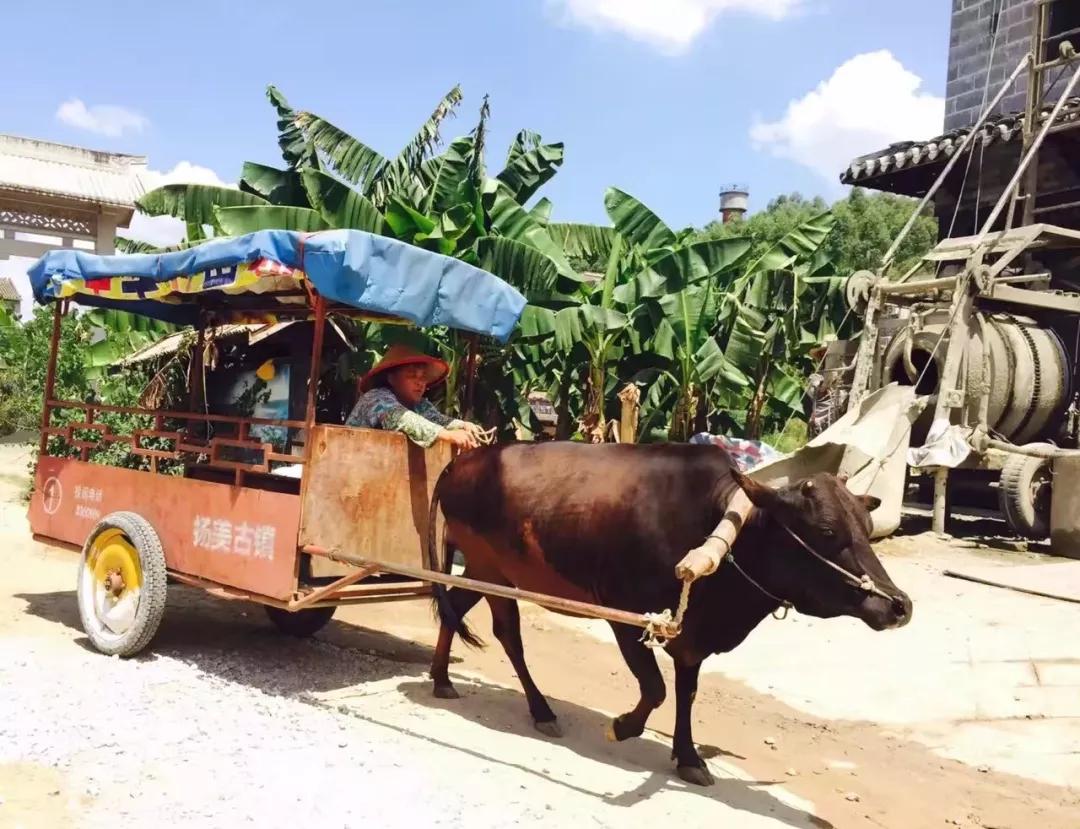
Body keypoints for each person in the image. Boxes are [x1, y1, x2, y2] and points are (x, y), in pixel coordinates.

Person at [346, 344, 484, 450]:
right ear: (391, 378)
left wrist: (464, 425)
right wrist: (448, 435)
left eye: (423, 377)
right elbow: (400, 418)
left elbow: (436, 419)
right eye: (412, 375)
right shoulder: (375, 398)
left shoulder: (420, 405)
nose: (420, 382)